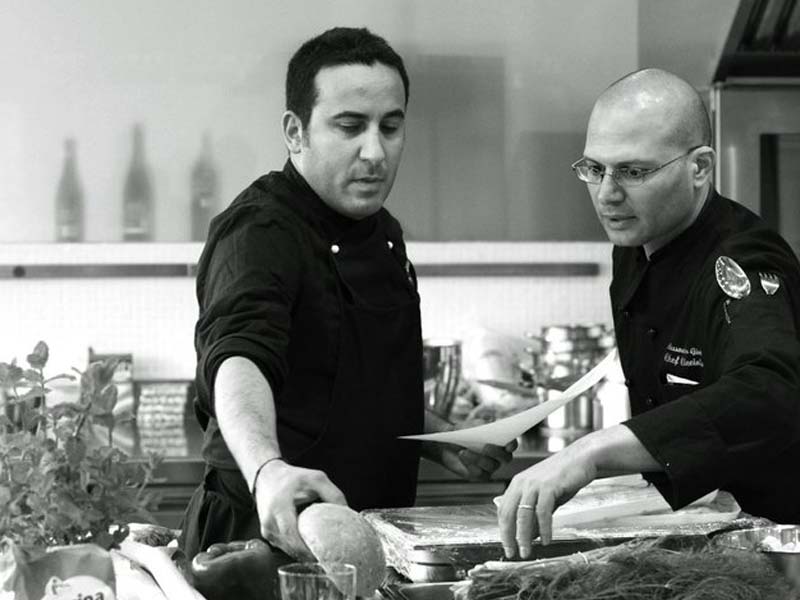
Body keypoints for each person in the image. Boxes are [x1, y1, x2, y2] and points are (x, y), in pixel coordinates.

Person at [180, 27, 515, 562]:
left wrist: (443, 438)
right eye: (350, 126)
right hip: (268, 539)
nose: (375, 151)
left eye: (391, 126)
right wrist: (268, 470)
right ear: (296, 131)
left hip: (373, 533)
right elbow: (239, 356)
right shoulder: (260, 231)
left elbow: (351, 381)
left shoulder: (384, 232)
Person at [498, 68, 800, 559]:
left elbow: (768, 391)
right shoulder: (637, 244)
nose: (606, 193)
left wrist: (592, 452)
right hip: (704, 537)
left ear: (700, 167)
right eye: (594, 169)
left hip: (775, 547)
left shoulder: (742, 259)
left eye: (634, 172)